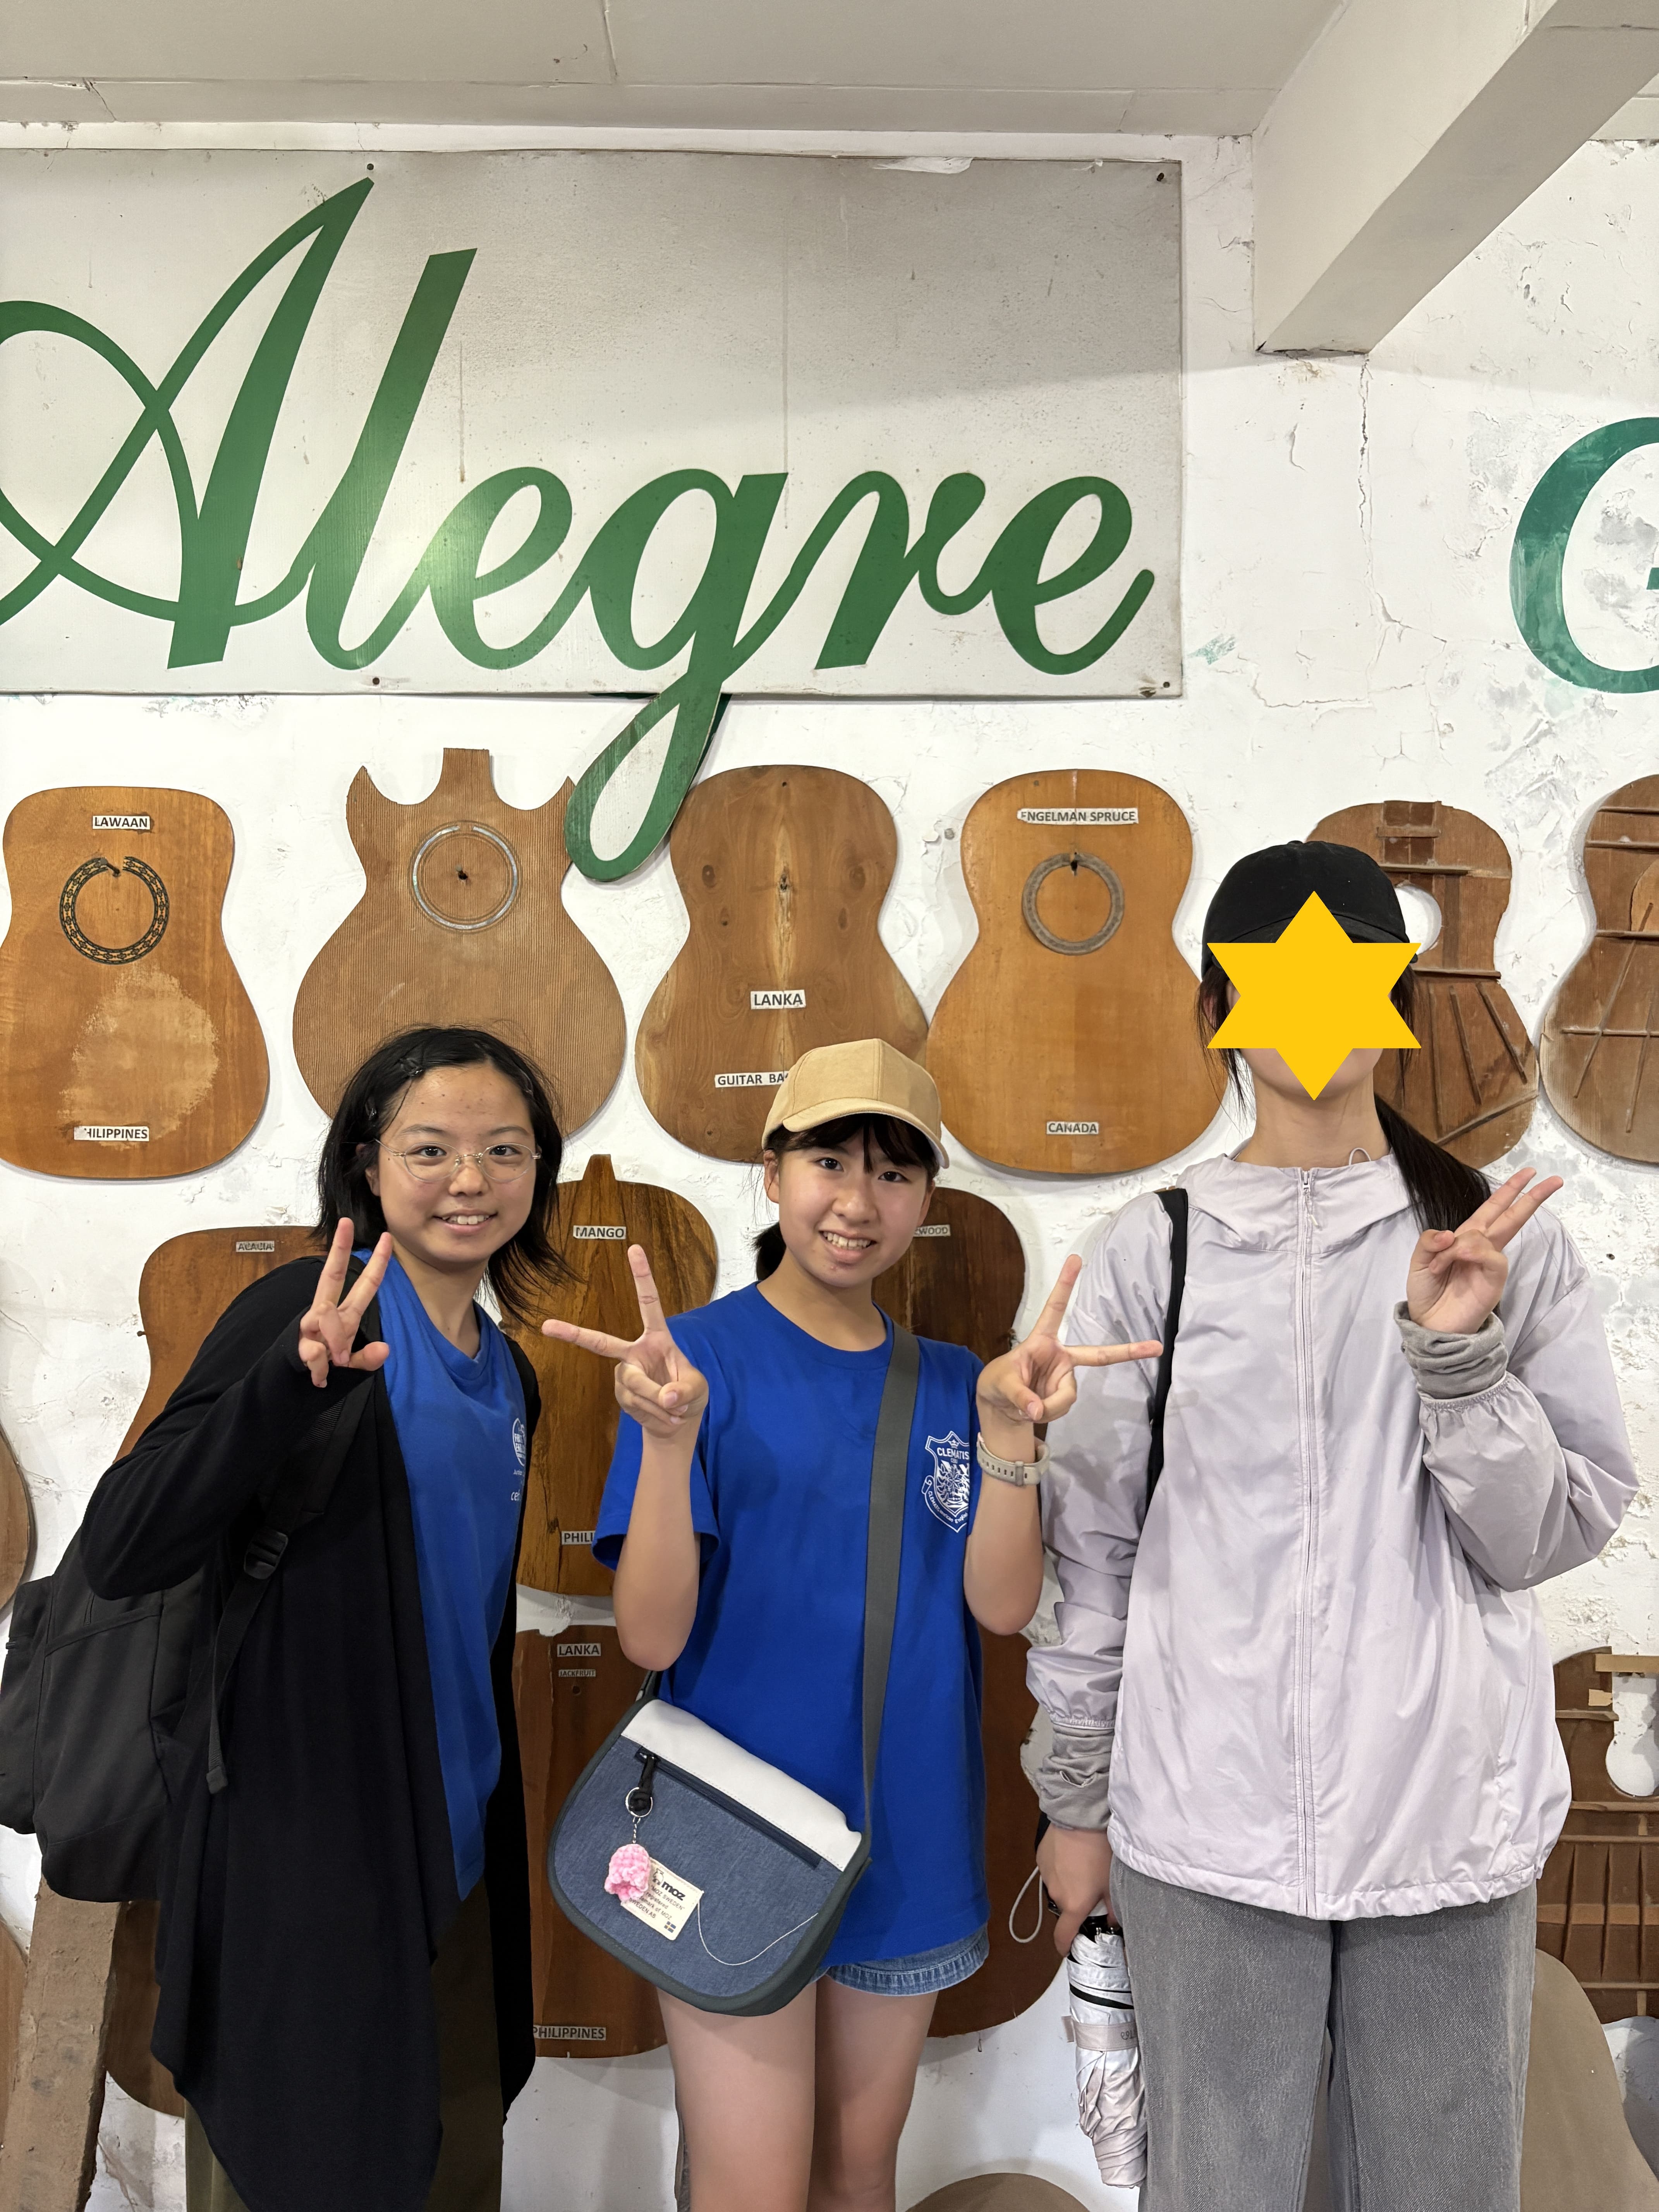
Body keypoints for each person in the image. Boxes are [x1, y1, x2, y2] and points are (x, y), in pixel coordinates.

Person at [1031, 841, 1638, 2212]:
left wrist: (1457, 1363)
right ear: (1217, 1007)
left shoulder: (1498, 1241)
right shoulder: (1152, 1249)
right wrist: (1075, 1802)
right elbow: (1097, 1568)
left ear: (1395, 1003)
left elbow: (1545, 1534)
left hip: (1445, 1817)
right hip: (1203, 1820)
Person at [544, 1039, 1158, 2212]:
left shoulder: (958, 1383)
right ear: (773, 1174)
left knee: (859, 2176)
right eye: (829, 1161)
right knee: (752, 2188)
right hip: (728, 1833)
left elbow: (1002, 1608)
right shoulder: (691, 1364)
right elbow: (651, 1640)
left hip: (906, 1835)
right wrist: (667, 1445)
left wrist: (1011, 1441)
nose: (858, 1202)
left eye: (894, 1172)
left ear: (924, 1199)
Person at [79, 1026, 568, 2212]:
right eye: (431, 1148)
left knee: (450, 2172)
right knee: (294, 2176)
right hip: (304, 1869)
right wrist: (280, 1393)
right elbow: (123, 1547)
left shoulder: (509, 1373)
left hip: (453, 1864)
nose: (470, 1179)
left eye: (505, 1150)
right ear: (365, 1162)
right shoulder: (305, 1316)